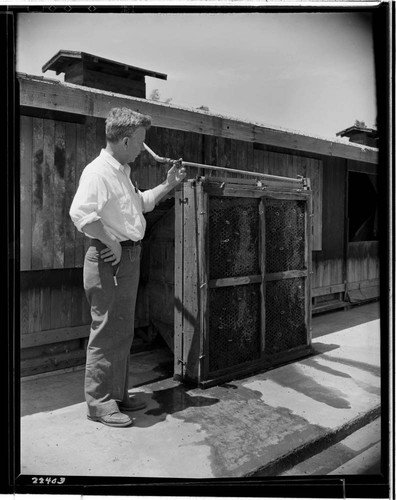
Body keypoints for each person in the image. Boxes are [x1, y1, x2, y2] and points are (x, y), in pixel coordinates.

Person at [69, 107, 186, 427]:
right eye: (139, 142)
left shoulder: (121, 171)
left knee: (121, 331)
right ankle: (99, 403)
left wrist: (169, 184)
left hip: (126, 258)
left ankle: (116, 394)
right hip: (110, 260)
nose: (142, 148)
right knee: (106, 332)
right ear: (124, 140)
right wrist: (112, 242)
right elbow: (81, 215)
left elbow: (143, 204)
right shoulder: (98, 172)